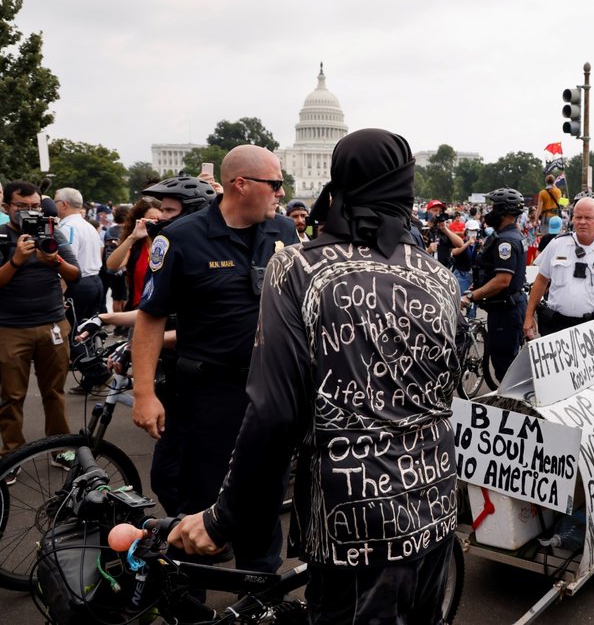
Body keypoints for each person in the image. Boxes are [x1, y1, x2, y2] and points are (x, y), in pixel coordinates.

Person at [167, 128, 460, 624]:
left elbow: (275, 412)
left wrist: (223, 517)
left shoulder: (297, 267)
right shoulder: (440, 277)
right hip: (435, 499)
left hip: (351, 513)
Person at [132, 148, 298, 572]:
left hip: (267, 397)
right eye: (275, 184)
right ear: (241, 184)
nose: (282, 193)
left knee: (262, 506)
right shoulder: (182, 238)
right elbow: (150, 318)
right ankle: (189, 606)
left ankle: (257, 599)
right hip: (206, 398)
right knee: (194, 510)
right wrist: (144, 393)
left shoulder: (282, 231)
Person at [0, 181, 81, 476]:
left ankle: (60, 449)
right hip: (10, 328)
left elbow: (76, 275)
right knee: (11, 396)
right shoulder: (1, 235)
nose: (31, 212)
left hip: (52, 323)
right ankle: (11, 455)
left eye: (36, 206)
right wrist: (16, 261)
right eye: (23, 207)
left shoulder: (52, 232)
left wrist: (55, 260)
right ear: (6, 207)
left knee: (54, 392)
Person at [524, 197, 594, 338]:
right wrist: (529, 315)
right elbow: (541, 281)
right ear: (572, 218)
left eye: (588, 217)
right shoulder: (557, 244)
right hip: (556, 327)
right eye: (578, 217)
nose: (582, 222)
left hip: (593, 331)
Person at [464, 188, 527, 383]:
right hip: (508, 308)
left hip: (506, 312)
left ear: (504, 212)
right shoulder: (511, 235)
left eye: (493, 207)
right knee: (506, 363)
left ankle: (513, 409)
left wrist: (470, 297)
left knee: (505, 369)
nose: (489, 212)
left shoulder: (506, 241)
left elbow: (502, 280)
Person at [54, 187, 105, 330]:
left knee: (72, 333)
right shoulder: (87, 225)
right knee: (87, 332)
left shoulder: (68, 227)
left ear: (64, 204)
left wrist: (58, 295)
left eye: (55, 201)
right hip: (95, 282)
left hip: (79, 285)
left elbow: (67, 263)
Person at [105, 197, 163, 311]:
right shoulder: (136, 246)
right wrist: (132, 237)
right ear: (140, 220)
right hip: (139, 310)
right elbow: (112, 266)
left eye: (160, 220)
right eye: (152, 220)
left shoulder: (171, 243)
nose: (157, 224)